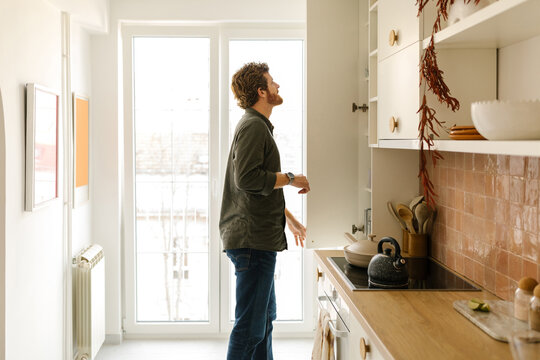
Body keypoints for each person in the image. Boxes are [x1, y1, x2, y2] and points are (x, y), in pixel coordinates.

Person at [219, 62, 310, 360]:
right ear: (261, 91)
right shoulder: (254, 127)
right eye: (272, 83)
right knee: (251, 329)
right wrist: (292, 178)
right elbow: (247, 180)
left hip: (256, 239)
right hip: (252, 241)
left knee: (264, 322)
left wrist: (291, 220)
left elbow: (259, 188)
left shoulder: (256, 126)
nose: (278, 86)